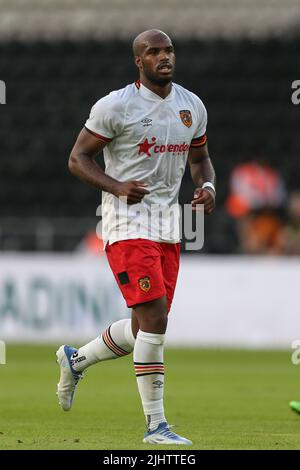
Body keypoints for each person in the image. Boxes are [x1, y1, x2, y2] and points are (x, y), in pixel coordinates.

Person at [56, 29, 216, 445]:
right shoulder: (115, 106)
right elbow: (77, 158)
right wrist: (115, 186)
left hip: (169, 227)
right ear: (139, 62)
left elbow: (201, 159)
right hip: (127, 226)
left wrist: (208, 186)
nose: (164, 57)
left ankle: (76, 360)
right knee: (157, 321)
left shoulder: (191, 105)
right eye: (154, 52)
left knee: (142, 327)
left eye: (169, 51)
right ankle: (156, 426)